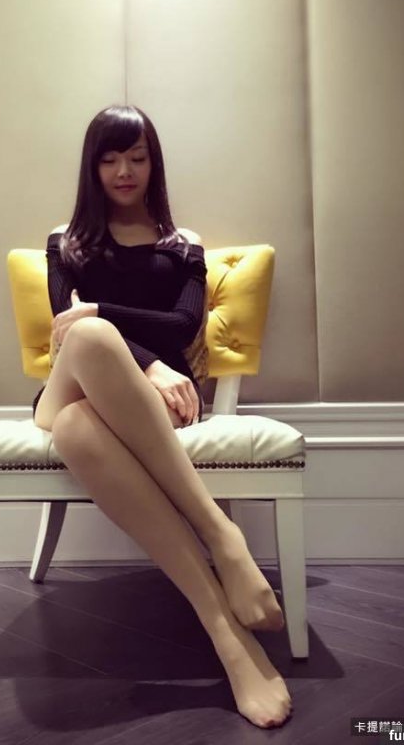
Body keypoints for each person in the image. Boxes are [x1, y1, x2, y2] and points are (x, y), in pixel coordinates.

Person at [32, 105, 292, 729]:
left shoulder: (182, 244)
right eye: (110, 158)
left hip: (155, 409)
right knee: (87, 338)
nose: (124, 171)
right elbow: (70, 329)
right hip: (69, 387)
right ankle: (222, 536)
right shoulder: (65, 241)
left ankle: (227, 634)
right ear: (92, 167)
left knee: (79, 423)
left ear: (154, 164)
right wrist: (148, 363)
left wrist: (107, 319)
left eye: (137, 157)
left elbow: (183, 324)